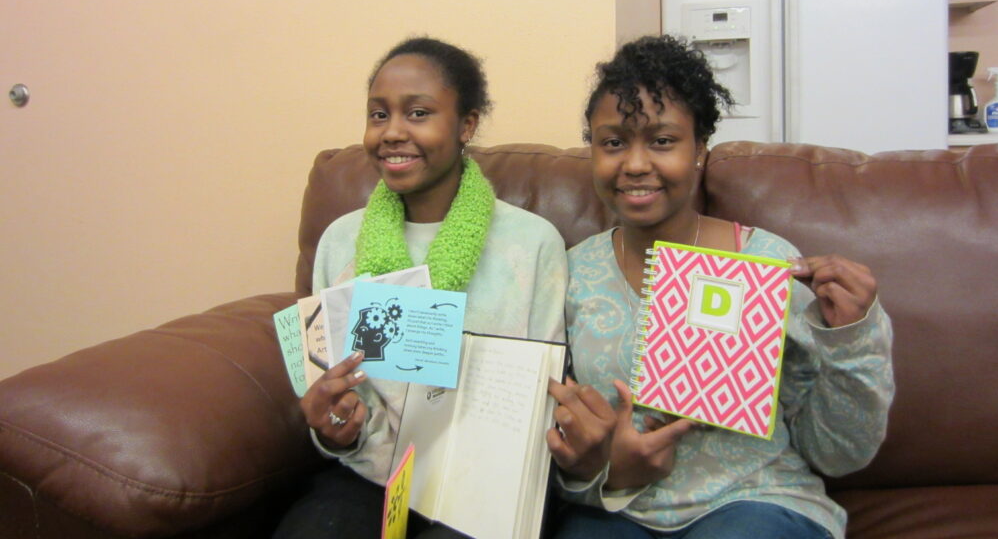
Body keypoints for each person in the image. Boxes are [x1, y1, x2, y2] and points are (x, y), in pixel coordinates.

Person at [552, 34, 894, 539]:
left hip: (755, 502)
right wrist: (599, 471)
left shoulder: (768, 264)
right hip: (617, 509)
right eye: (614, 142)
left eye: (663, 141)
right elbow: (546, 448)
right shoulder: (570, 273)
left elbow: (839, 453)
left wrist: (854, 337)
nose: (636, 163)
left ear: (700, 151)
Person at [273, 37, 568, 539]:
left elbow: (539, 398)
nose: (392, 132)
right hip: (371, 473)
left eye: (418, 113)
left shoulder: (531, 244)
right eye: (378, 114)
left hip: (484, 481)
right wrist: (339, 430)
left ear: (466, 125)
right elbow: (334, 392)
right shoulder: (341, 241)